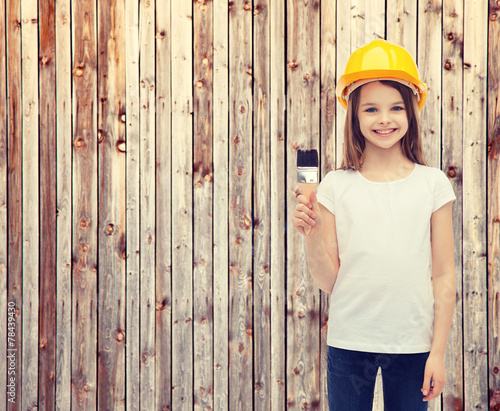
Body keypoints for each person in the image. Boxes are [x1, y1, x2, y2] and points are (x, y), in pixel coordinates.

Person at [292, 39, 457, 410]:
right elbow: (329, 281)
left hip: (414, 346)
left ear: (412, 111)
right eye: (371, 109)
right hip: (350, 344)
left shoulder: (433, 184)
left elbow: (445, 276)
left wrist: (439, 352)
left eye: (396, 107)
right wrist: (311, 235)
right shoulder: (334, 185)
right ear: (354, 115)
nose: (385, 119)